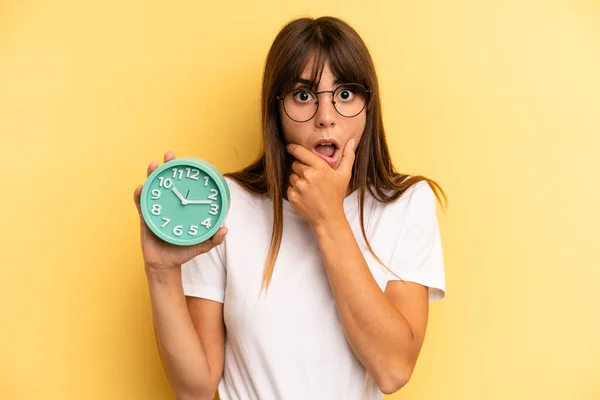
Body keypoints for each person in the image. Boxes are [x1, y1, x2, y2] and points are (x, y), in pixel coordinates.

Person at [133, 16, 447, 400]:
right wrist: (161, 273)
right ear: (276, 111)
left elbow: (394, 369)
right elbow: (195, 389)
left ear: (369, 106)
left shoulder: (406, 205)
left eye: (345, 95)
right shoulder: (225, 205)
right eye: (303, 96)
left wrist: (329, 217)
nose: (326, 117)